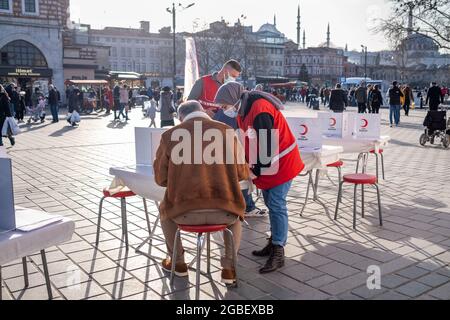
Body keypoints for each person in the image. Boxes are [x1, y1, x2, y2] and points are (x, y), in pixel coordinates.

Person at [154, 101, 248, 285]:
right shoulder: (227, 132)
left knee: (165, 212)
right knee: (237, 219)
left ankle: (178, 263)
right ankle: (229, 268)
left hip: (183, 213)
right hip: (224, 211)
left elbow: (160, 179)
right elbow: (241, 173)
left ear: (180, 118)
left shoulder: (169, 136)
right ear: (204, 111)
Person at [215, 82, 305, 274]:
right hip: (269, 164)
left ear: (232, 100)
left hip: (282, 161)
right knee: (270, 202)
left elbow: (267, 145)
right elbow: (248, 139)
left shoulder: (259, 108)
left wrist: (255, 170)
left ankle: (278, 250)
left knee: (277, 204)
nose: (224, 111)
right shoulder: (243, 109)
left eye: (224, 106)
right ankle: (273, 242)